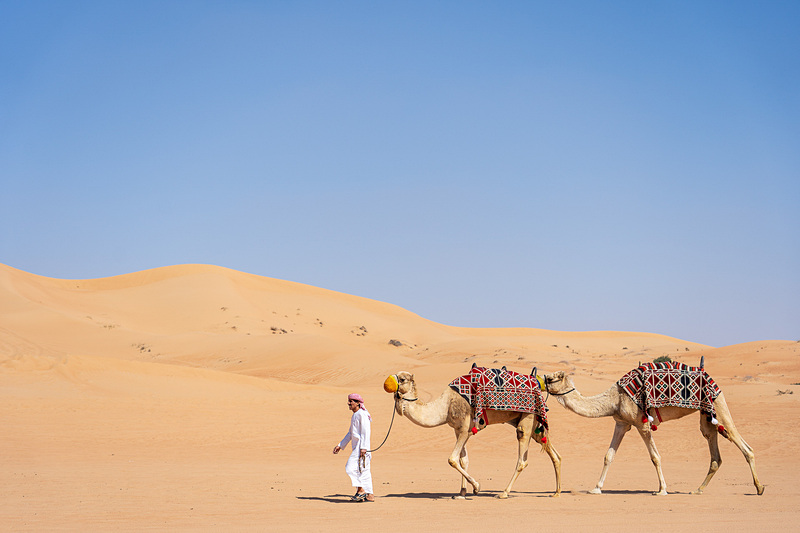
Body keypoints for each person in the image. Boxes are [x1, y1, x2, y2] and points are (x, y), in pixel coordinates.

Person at [332, 393, 375, 502]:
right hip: (359, 448)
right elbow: (351, 433)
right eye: (349, 401)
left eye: (351, 401)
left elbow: (366, 432)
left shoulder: (362, 414)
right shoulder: (356, 415)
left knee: (350, 468)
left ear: (357, 403)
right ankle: (370, 495)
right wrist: (340, 445)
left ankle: (361, 491)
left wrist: (364, 448)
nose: (348, 403)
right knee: (364, 471)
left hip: (361, 447)